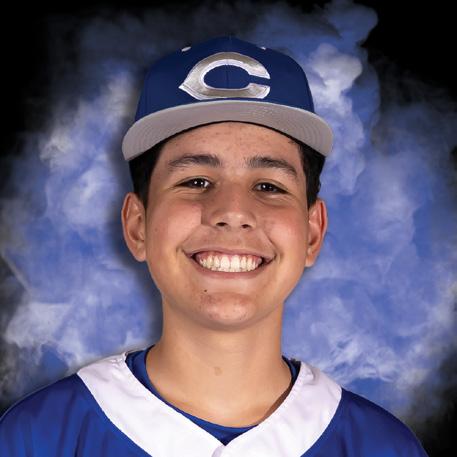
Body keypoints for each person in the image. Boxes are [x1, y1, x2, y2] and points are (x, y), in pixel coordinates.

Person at [0, 35, 428, 456]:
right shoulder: (38, 438)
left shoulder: (383, 447)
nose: (232, 211)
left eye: (268, 186)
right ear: (138, 226)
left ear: (312, 233)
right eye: (196, 181)